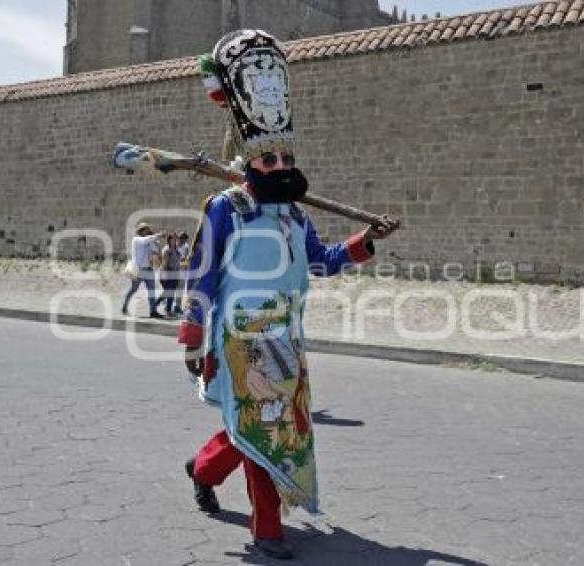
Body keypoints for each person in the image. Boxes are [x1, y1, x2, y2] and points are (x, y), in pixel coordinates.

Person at [178, 30, 395, 560]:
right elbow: (202, 276)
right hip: (239, 339)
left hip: (286, 339)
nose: (278, 166)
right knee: (261, 426)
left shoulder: (297, 214)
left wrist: (364, 242)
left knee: (272, 427)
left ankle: (204, 467)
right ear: (248, 162)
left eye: (284, 157)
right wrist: (193, 338)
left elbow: (321, 262)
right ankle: (268, 530)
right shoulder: (225, 207)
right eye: (267, 158)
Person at [121, 222, 164, 318]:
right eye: (146, 230)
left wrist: (154, 240)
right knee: (133, 289)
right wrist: (157, 235)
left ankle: (153, 311)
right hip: (139, 270)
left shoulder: (148, 241)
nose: (147, 232)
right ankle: (125, 306)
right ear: (141, 231)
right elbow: (144, 241)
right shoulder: (136, 239)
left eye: (148, 230)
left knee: (152, 291)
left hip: (148, 269)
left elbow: (155, 251)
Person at [155, 232, 184, 317]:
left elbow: (177, 261)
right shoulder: (167, 250)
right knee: (167, 293)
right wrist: (164, 275)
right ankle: (154, 306)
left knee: (170, 293)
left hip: (175, 274)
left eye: (176, 238)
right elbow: (164, 264)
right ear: (169, 240)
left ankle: (168, 311)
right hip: (168, 273)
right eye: (173, 238)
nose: (175, 240)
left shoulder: (176, 250)